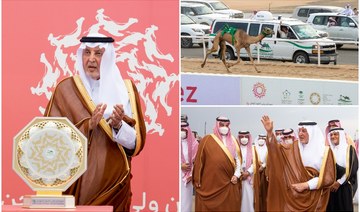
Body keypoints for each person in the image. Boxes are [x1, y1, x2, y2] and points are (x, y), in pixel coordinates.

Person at [44, 33, 146, 211]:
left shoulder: (126, 90)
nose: (91, 59)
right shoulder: (65, 90)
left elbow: (135, 145)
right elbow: (49, 141)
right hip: (76, 187)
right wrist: (87, 126)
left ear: (108, 57)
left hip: (114, 187)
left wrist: (118, 126)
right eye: (87, 53)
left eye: (98, 53)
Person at [261, 116, 335, 211]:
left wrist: (306, 185)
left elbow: (328, 178)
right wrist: (270, 133)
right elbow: (276, 151)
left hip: (315, 199)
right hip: (295, 196)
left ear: (312, 132)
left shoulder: (325, 151)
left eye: (304, 131)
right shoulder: (294, 147)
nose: (300, 134)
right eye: (299, 131)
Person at [193, 116, 242, 211]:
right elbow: (199, 160)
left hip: (229, 182)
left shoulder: (234, 141)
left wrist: (236, 175)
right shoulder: (207, 139)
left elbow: (238, 160)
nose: (224, 127)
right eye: (221, 125)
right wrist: (197, 178)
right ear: (217, 125)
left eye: (226, 125)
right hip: (211, 184)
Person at [326, 127, 358, 211]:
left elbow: (353, 168)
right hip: (331, 187)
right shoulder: (328, 150)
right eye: (331, 135)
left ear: (341, 135)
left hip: (344, 186)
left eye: (335, 134)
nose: (333, 136)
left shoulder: (349, 149)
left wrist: (339, 182)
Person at [180, 121, 199, 212]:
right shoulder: (173, 143)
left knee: (186, 201)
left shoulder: (194, 144)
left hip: (189, 176)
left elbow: (197, 161)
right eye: (180, 129)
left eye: (184, 129)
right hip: (177, 174)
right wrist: (180, 166)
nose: (182, 131)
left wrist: (192, 173)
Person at [238, 131, 255, 212]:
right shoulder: (236, 148)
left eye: (246, 136)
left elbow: (255, 163)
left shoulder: (253, 149)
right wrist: (239, 173)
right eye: (242, 136)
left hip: (249, 177)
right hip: (237, 177)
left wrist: (248, 172)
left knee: (248, 198)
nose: (244, 138)